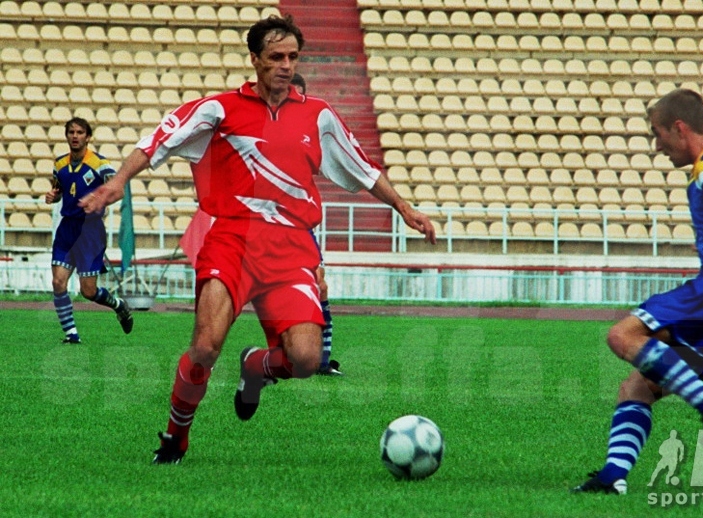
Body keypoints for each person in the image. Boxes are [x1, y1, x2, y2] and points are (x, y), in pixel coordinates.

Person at [80, 14, 436, 464]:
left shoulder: (318, 114)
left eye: (292, 57)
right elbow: (157, 141)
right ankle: (175, 437)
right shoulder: (220, 109)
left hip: (290, 250)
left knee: (306, 361)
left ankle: (255, 367)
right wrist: (118, 183)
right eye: (276, 57)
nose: (286, 66)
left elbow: (364, 170)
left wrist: (405, 208)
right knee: (206, 345)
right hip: (232, 240)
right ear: (255, 60)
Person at [571, 89, 703, 495]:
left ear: (679, 128)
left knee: (622, 335)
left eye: (657, 133)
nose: (656, 146)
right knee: (638, 385)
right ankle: (613, 478)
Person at [45, 117, 134, 344]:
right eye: (71, 132)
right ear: (66, 136)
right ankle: (71, 334)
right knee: (58, 282)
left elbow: (118, 191)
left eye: (80, 132)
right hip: (67, 228)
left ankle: (118, 305)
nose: (75, 136)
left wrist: (97, 199)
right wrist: (53, 197)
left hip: (90, 231)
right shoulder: (59, 165)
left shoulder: (100, 164)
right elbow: (59, 190)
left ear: (88, 136)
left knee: (88, 291)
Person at [291, 72, 342, 376]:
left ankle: (322, 361)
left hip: (301, 225)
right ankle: (207, 357)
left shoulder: (310, 128)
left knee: (320, 286)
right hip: (262, 224)